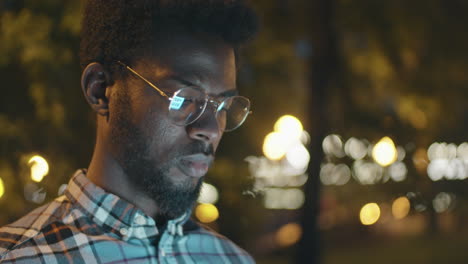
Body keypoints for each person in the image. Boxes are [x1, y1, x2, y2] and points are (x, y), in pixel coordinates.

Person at [0, 0, 258, 262]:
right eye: (184, 98)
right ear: (100, 90)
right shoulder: (20, 257)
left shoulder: (231, 258)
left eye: (223, 105)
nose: (211, 130)